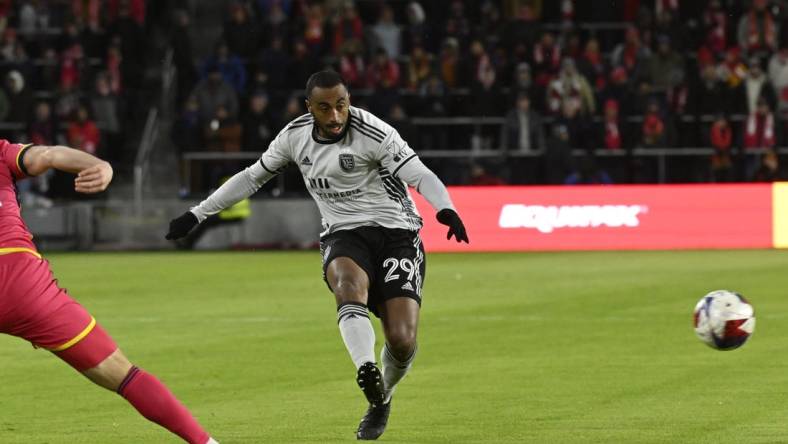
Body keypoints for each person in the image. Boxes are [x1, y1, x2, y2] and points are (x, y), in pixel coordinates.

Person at [166, 70, 469, 440]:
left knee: (402, 341)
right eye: (324, 108)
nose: (335, 116)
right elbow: (251, 177)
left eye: (341, 105)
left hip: (397, 234)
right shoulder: (293, 137)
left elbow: (419, 173)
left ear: (349, 101)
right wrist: (198, 213)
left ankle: (381, 398)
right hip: (344, 233)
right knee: (346, 282)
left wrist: (446, 208)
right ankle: (365, 367)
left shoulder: (375, 133)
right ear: (309, 108)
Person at [0, 141, 218, 444]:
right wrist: (101, 165)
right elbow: (48, 156)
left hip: (21, 279)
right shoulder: (1, 152)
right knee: (123, 375)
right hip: (24, 284)